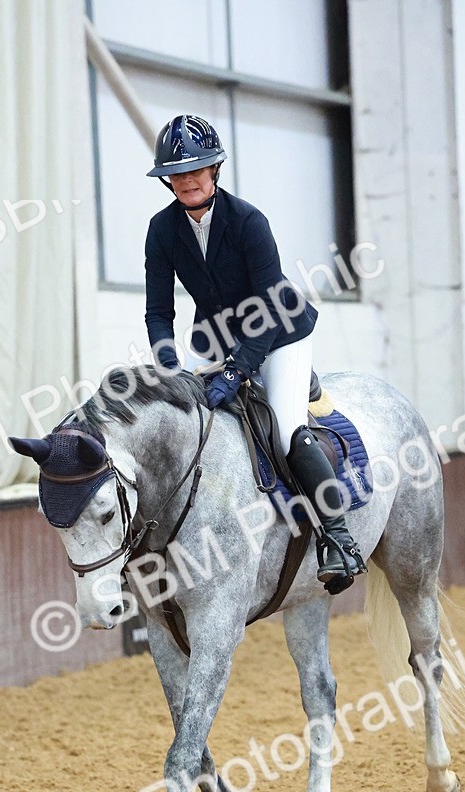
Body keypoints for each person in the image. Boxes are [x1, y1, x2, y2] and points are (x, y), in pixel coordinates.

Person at [144, 113, 366, 593]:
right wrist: (168, 368)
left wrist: (237, 372)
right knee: (183, 421)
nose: (186, 180)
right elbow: (158, 312)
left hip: (280, 332)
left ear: (215, 169)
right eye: (177, 173)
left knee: (287, 432)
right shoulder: (161, 230)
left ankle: (338, 538)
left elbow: (268, 307)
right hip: (214, 336)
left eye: (195, 169)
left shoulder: (248, 221)